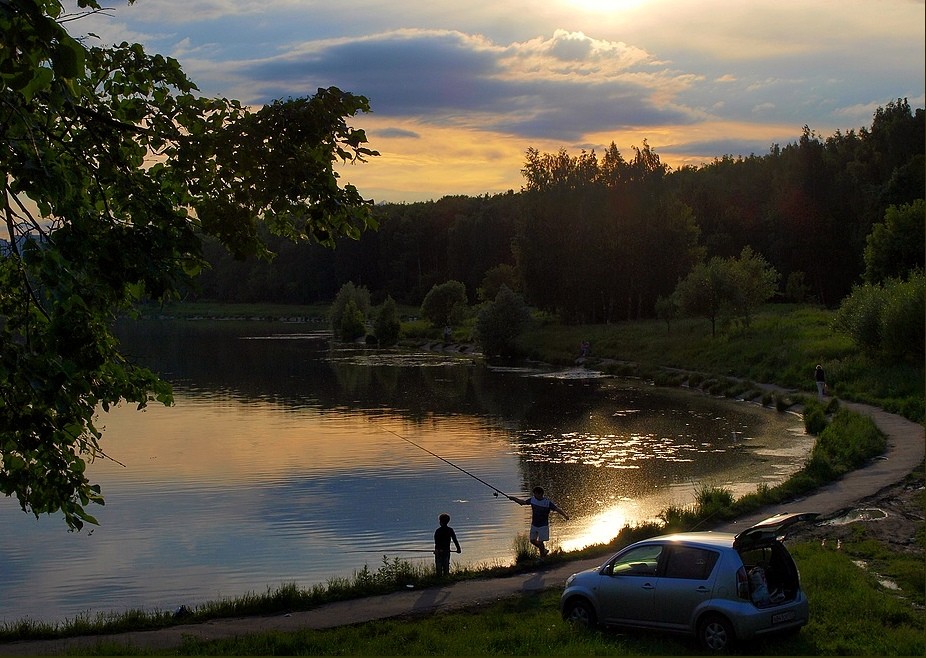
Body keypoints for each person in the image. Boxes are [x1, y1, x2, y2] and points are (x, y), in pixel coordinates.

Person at [508, 486, 569, 557]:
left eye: (535, 494)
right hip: (534, 524)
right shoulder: (533, 500)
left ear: (540, 494)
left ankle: (542, 557)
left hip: (543, 525)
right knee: (532, 540)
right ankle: (544, 550)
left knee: (540, 542)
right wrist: (514, 499)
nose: (534, 495)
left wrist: (565, 516)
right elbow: (522, 503)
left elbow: (557, 509)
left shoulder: (547, 502)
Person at [433, 513, 461, 577]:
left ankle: (439, 579)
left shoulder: (438, 531)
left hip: (439, 551)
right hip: (447, 551)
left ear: (440, 522)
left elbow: (436, 542)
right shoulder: (450, 530)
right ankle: (446, 577)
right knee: (446, 565)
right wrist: (458, 548)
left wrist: (437, 550)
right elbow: (455, 540)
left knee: (439, 566)